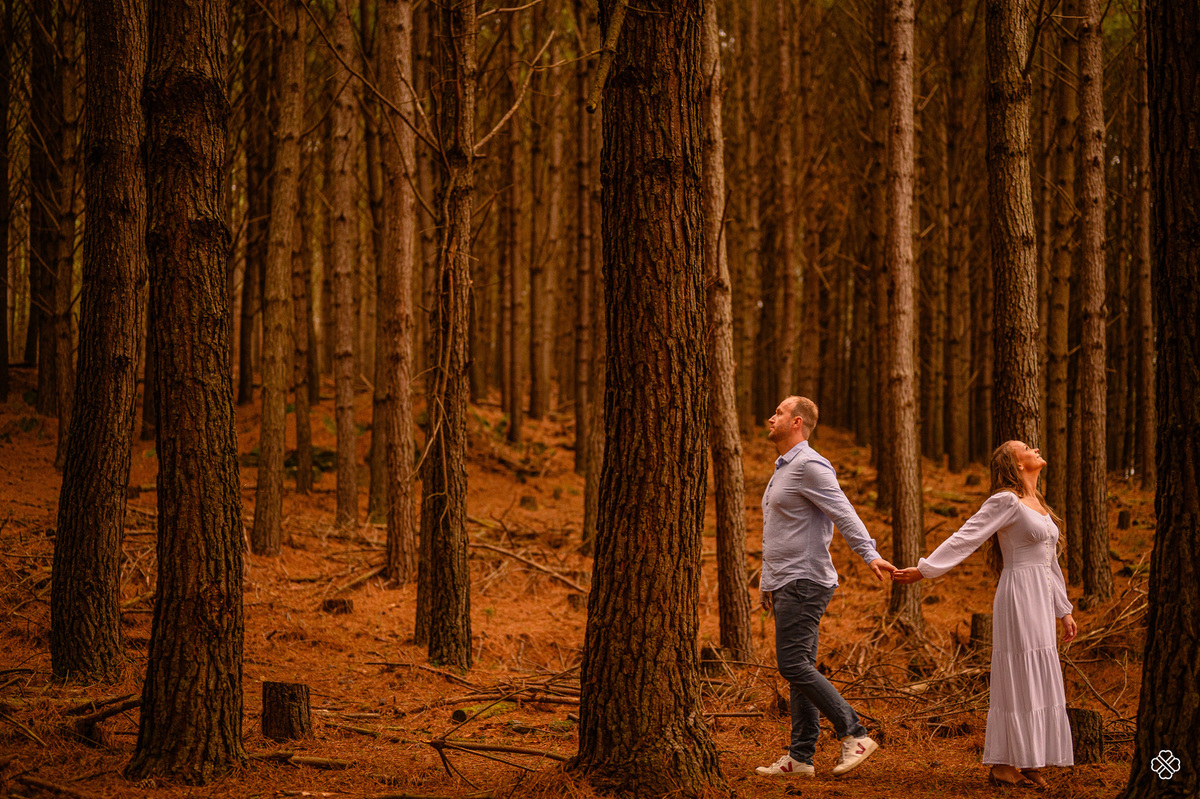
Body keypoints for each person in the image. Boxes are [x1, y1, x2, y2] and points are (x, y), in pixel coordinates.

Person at [893, 440, 1078, 788]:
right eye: (1025, 447)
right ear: (1016, 464)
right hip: (1019, 594)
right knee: (1019, 673)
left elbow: (1051, 562)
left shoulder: (1038, 503)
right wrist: (925, 569)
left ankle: (1031, 759)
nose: (1035, 448)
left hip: (1041, 596)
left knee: (1038, 672)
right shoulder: (1006, 501)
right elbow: (967, 536)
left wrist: (1063, 610)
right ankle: (1006, 764)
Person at [755, 396, 895, 778]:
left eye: (779, 412)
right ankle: (801, 757)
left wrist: (870, 553)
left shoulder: (809, 465)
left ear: (797, 422)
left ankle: (855, 733)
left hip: (804, 579)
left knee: (793, 665)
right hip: (786, 581)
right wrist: (769, 584)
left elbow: (843, 510)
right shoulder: (783, 468)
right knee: (799, 671)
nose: (772, 416)